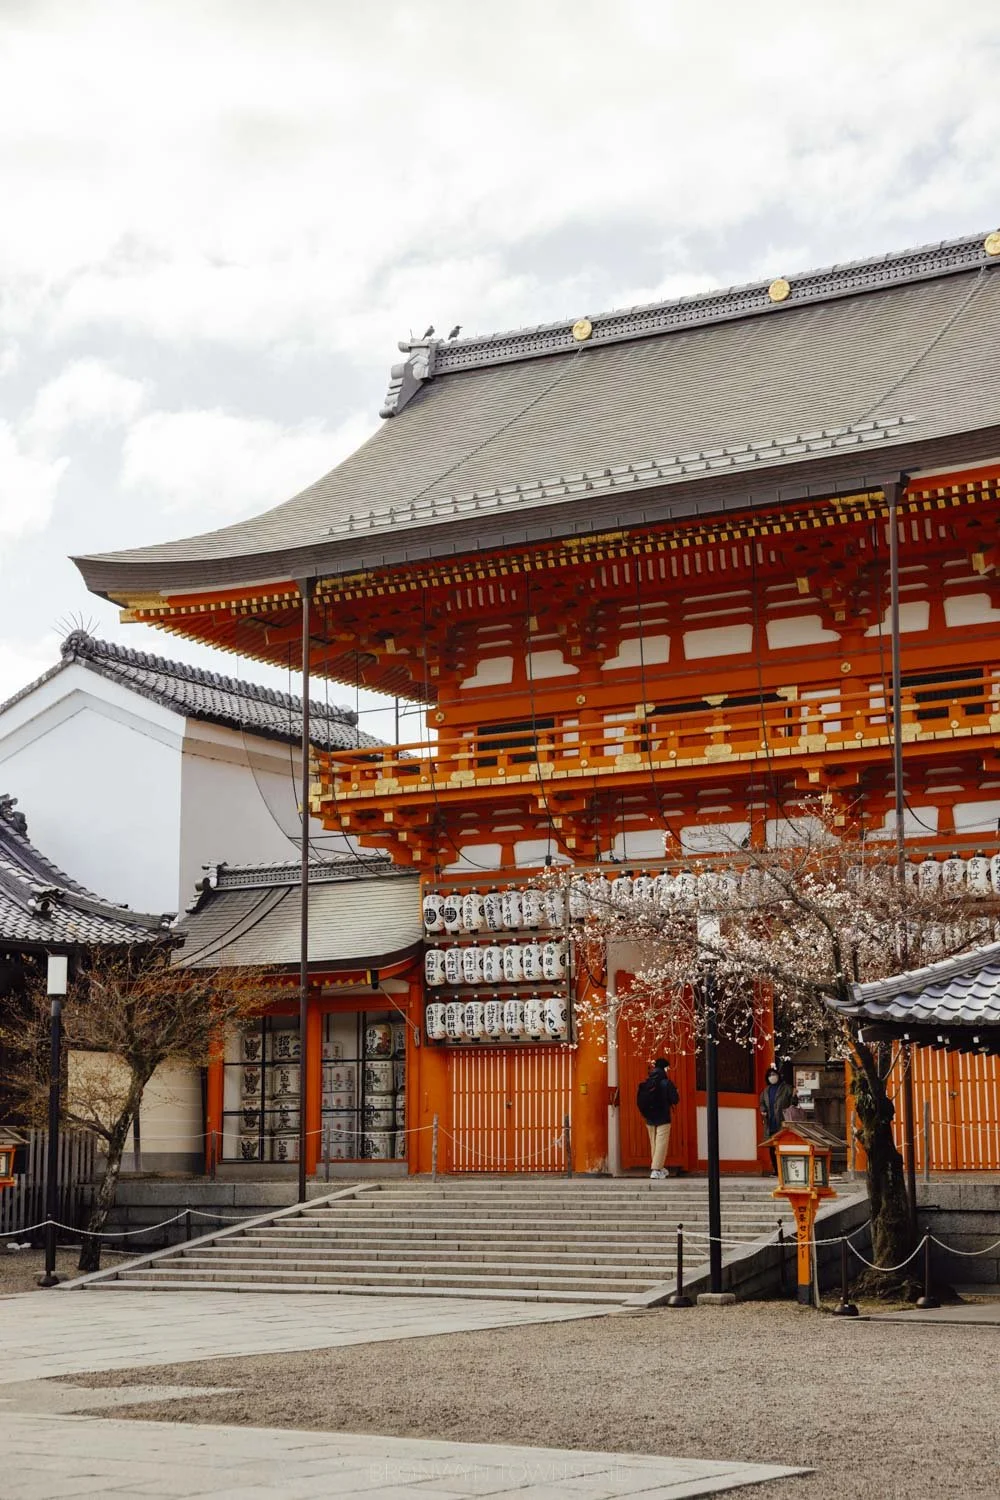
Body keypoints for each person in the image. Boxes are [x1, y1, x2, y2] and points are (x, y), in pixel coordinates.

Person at [637, 1057, 679, 1180]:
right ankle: (656, 1170)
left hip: (649, 1117)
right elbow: (675, 1099)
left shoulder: (648, 1081)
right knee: (661, 1143)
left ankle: (659, 1168)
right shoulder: (666, 1082)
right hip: (663, 1117)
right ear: (665, 1068)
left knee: (654, 1143)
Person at [759, 1064, 793, 1173]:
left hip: (782, 1122)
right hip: (770, 1123)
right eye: (770, 1075)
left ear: (778, 1075)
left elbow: (794, 1103)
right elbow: (762, 1103)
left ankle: (785, 1169)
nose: (772, 1077)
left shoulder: (787, 1088)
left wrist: (795, 1095)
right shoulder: (766, 1091)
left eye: (774, 1074)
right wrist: (763, 1110)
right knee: (772, 1147)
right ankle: (776, 1169)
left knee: (784, 1147)